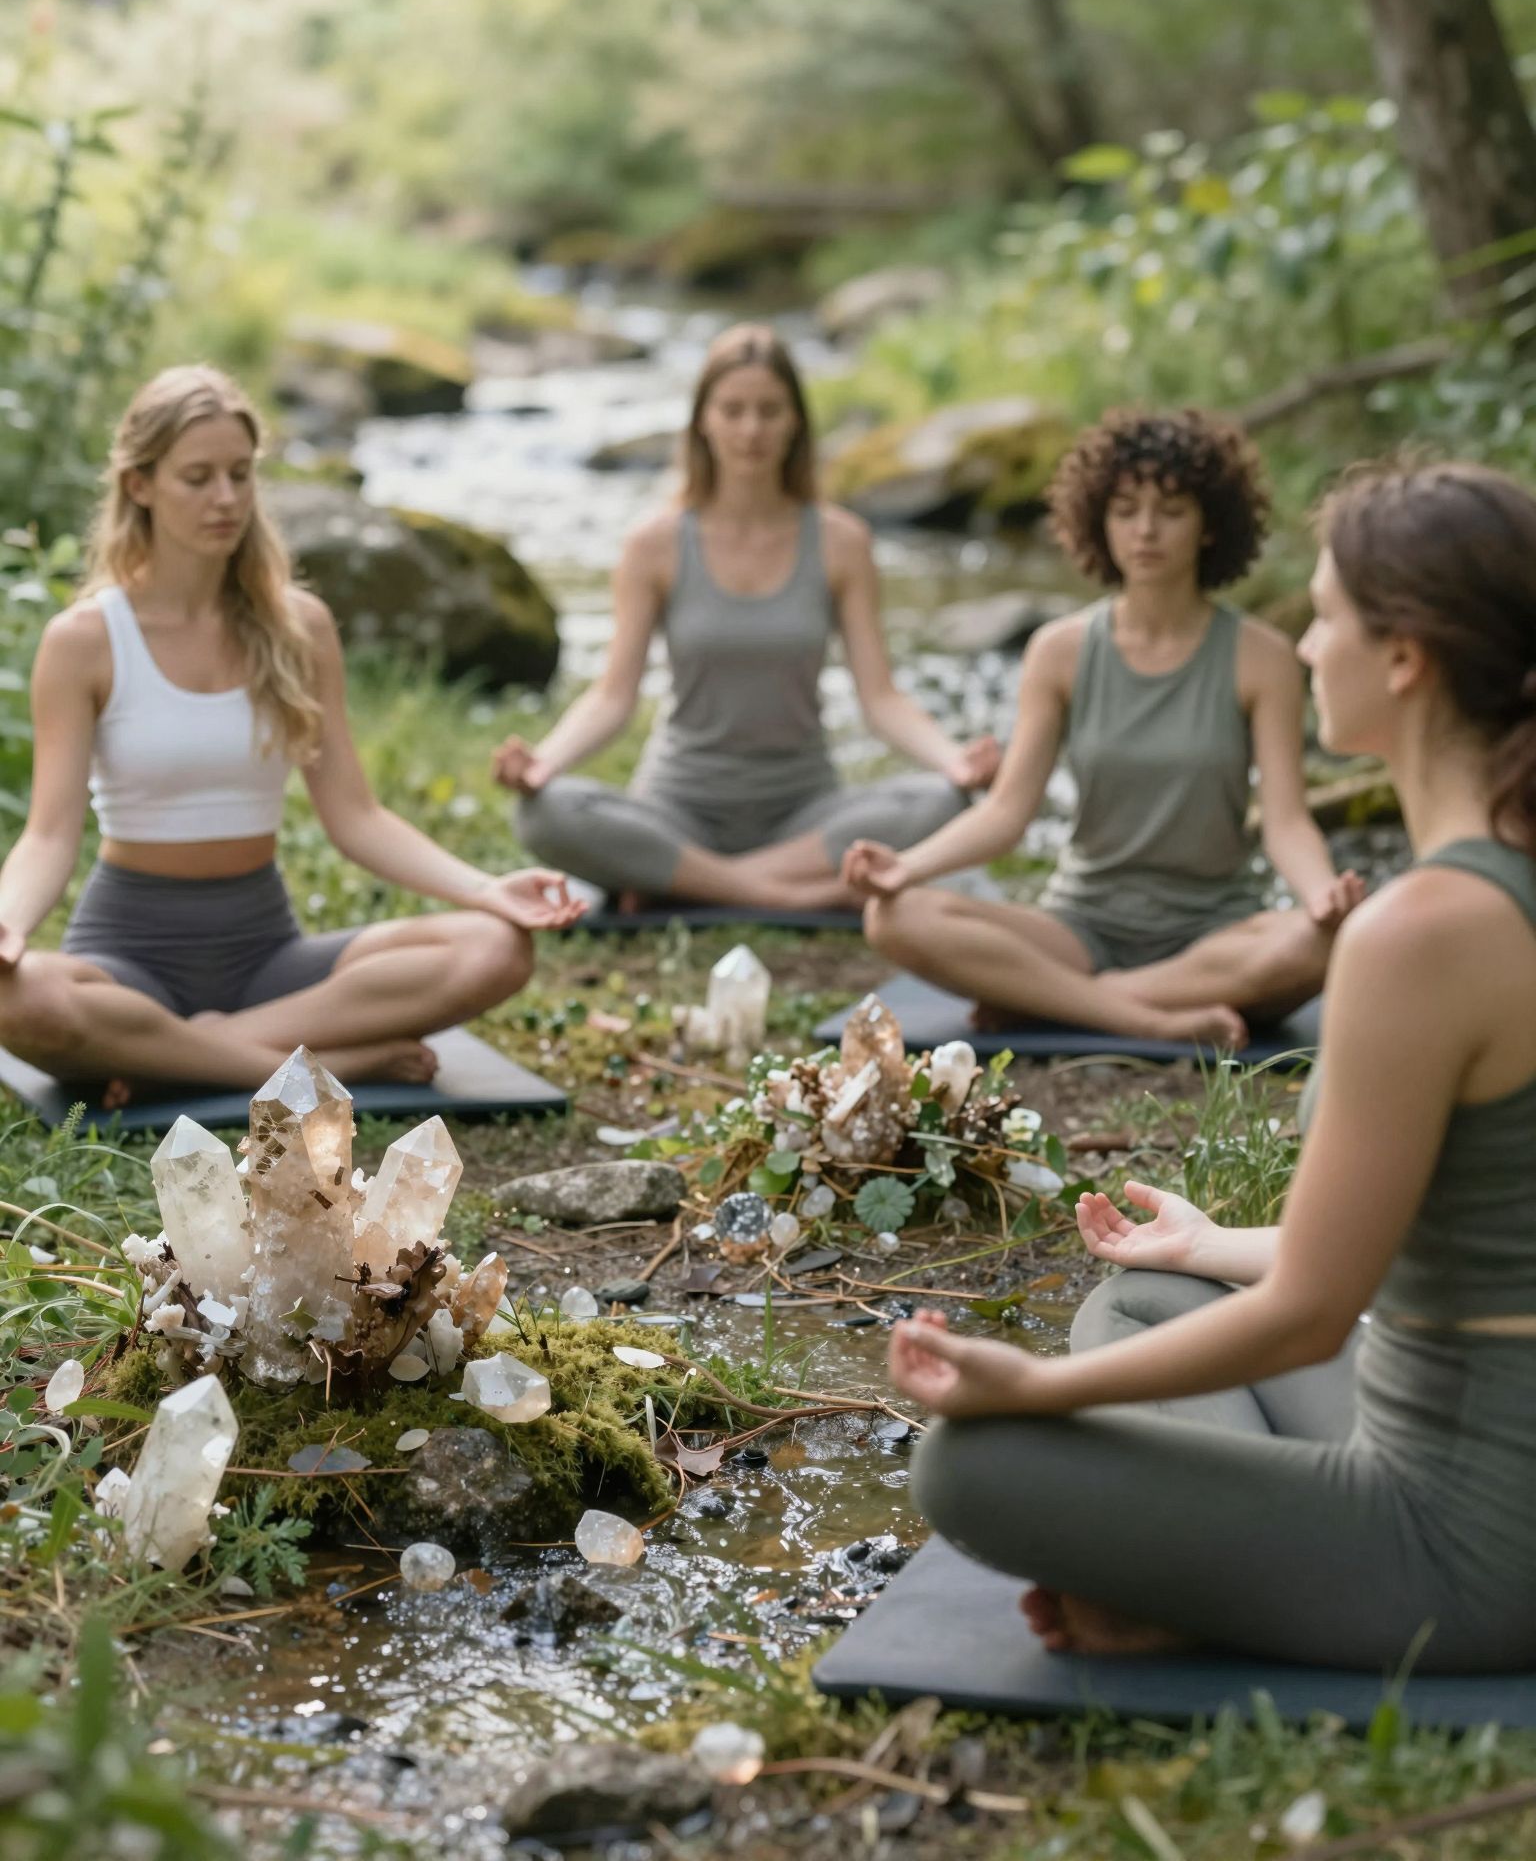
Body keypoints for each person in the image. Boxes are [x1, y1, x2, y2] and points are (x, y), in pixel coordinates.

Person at [889, 458, 1536, 1673]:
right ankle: (1245, 1544)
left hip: (1472, 1545)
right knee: (1148, 1292)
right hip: (1459, 1409)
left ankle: (1230, 1576)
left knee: (970, 1461)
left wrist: (1029, 1388)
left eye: (1330, 612)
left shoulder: (1422, 932)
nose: (1303, 645)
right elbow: (1420, 1254)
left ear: (1406, 658)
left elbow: (1305, 1316)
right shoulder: (1496, 886)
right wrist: (1201, 1245)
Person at [0, 365, 583, 1104]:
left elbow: (357, 818)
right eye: (198, 477)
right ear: (140, 484)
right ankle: (325, 1067)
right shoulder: (84, 639)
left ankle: (180, 1057)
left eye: (241, 475)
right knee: (18, 1000)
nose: (226, 499)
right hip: (128, 959)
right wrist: (7, 925)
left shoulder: (298, 627)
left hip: (267, 959)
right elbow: (49, 835)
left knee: (496, 947)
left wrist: (487, 888)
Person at [844, 408, 1364, 1049]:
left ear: (1209, 525)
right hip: (1079, 930)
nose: (1146, 530)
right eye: (1124, 510)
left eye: (1171, 510)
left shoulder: (1262, 657)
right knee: (894, 917)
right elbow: (1007, 813)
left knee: (1324, 941)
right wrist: (905, 866)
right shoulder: (1058, 651)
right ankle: (1144, 1016)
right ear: (1098, 519)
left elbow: (1285, 820)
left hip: (1213, 932)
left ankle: (1049, 1001)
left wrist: (1320, 895)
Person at [493, 323, 998, 912]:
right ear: (702, 421)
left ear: (796, 423)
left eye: (769, 411)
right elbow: (612, 697)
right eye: (732, 410)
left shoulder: (841, 542)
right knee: (544, 813)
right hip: (677, 812)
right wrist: (543, 763)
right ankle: (790, 895)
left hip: (805, 816)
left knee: (942, 802)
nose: (751, 429)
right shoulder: (653, 544)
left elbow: (881, 697)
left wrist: (954, 760)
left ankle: (683, 886)